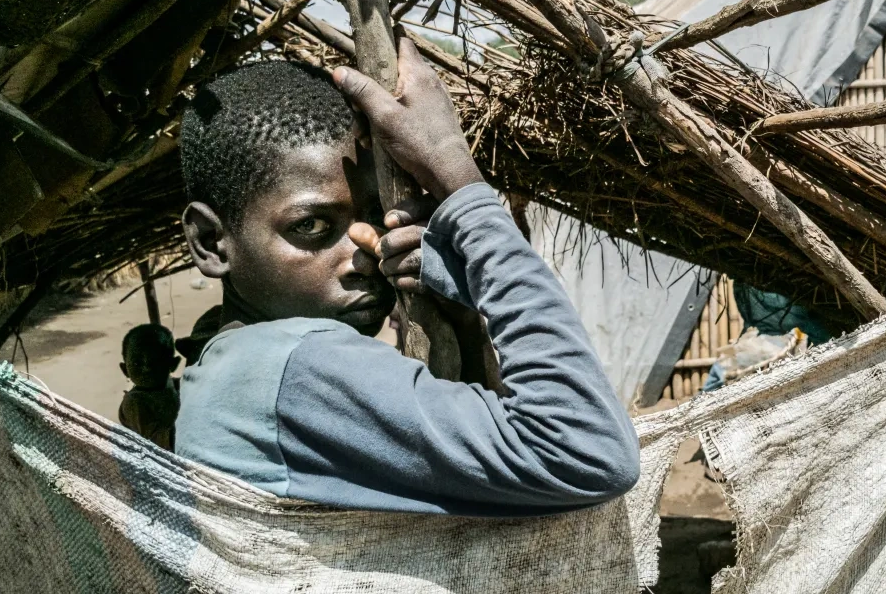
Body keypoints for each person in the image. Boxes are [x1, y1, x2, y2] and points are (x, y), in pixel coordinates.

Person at [173, 50, 639, 515]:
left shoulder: (234, 368)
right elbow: (591, 452)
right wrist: (461, 182)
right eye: (311, 227)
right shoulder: (298, 366)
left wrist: (462, 318)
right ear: (211, 242)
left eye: (376, 217)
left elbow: (498, 462)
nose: (363, 246)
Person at [117, 323, 181, 450]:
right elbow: (156, 441)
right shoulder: (134, 402)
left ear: (173, 364)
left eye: (156, 361)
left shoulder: (177, 385)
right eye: (137, 363)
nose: (147, 368)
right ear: (125, 370)